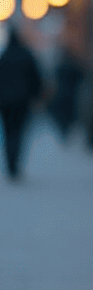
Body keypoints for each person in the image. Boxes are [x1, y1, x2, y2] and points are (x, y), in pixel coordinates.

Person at [0, 26, 43, 178]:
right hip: (22, 101)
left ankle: (10, 164)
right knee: (18, 132)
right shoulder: (26, 55)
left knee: (8, 132)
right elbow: (36, 77)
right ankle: (15, 164)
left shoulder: (4, 57)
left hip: (5, 103)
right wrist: (37, 95)